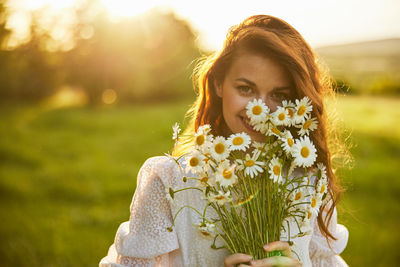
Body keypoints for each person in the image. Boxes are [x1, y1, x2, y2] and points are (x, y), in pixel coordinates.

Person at [99, 14, 349, 267]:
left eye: (278, 95)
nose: (258, 109)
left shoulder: (308, 181)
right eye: (245, 89)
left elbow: (325, 261)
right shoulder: (170, 182)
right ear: (219, 84)